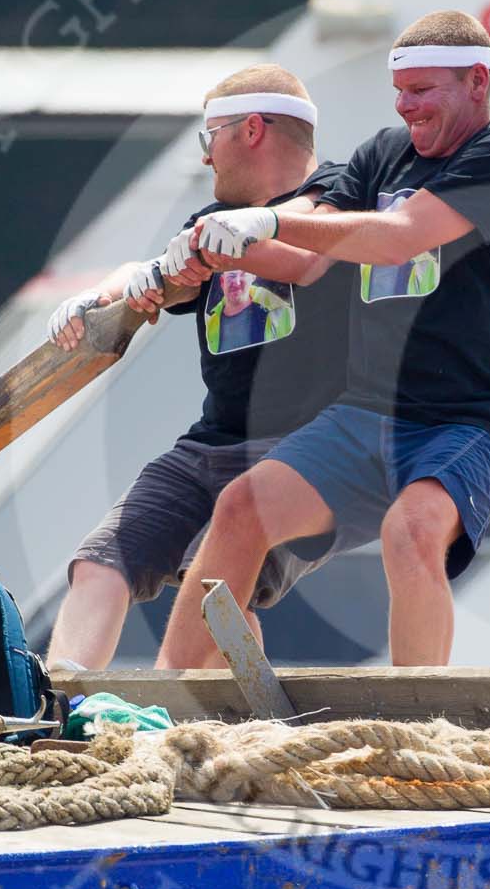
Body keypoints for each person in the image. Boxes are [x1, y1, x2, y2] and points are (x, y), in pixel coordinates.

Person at [154, 11, 490, 669]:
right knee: (241, 506)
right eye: (400, 89)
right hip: (370, 409)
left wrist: (265, 219)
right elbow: (307, 258)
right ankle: (169, 698)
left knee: (411, 530)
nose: (406, 105)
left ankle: (414, 736)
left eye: (423, 90)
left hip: (473, 416)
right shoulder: (380, 153)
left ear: (478, 82)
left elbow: (397, 236)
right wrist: (219, 248)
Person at [43, 64, 351, 671]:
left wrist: (220, 245)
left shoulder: (341, 192)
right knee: (100, 563)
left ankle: (234, 736)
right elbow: (154, 276)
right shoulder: (208, 223)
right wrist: (97, 301)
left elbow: (312, 240)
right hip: (212, 444)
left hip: (306, 449)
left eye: (210, 139)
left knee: (214, 583)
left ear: (253, 130)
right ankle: (61, 714)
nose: (207, 160)